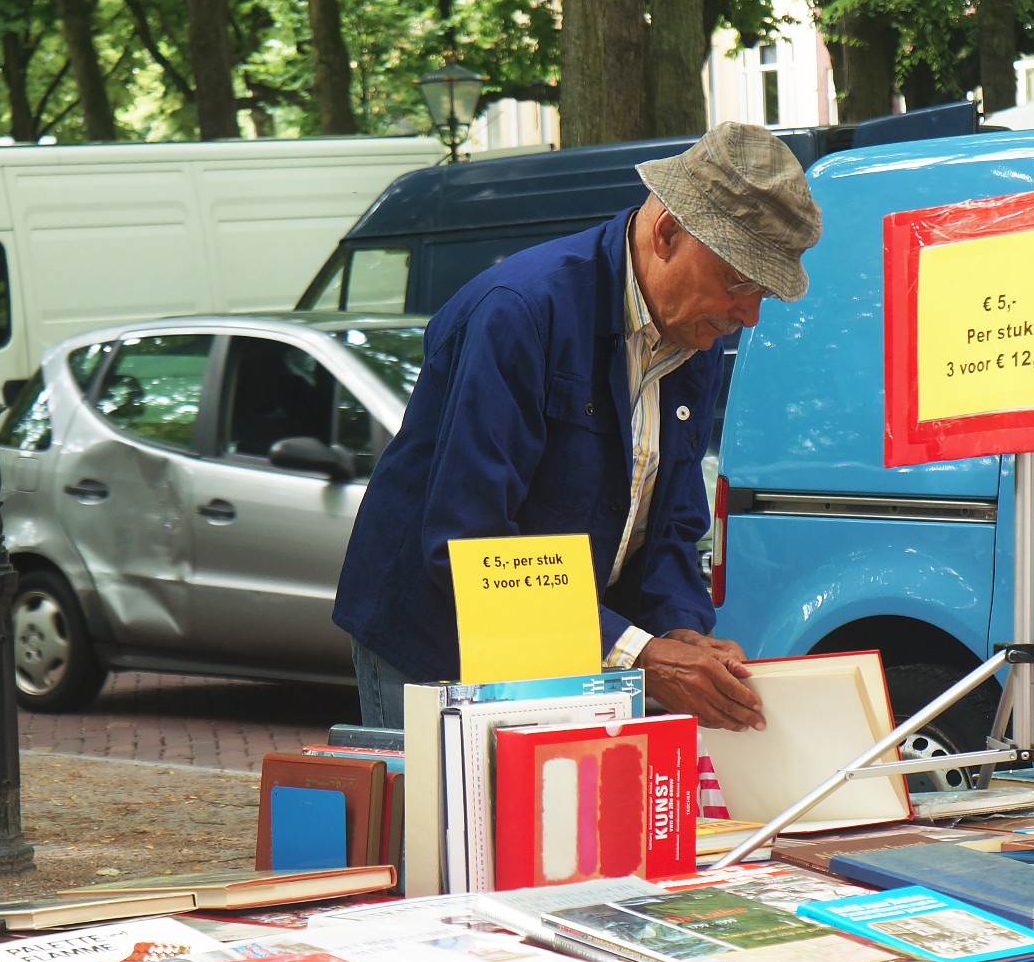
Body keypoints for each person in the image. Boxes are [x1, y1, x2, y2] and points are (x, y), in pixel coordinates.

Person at [332, 122, 821, 730]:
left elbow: (670, 521)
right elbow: (469, 541)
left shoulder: (694, 332)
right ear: (667, 232)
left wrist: (681, 631)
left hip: (563, 638)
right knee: (445, 823)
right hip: (436, 640)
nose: (747, 313)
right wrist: (644, 657)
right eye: (739, 281)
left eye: (764, 294)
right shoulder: (519, 312)